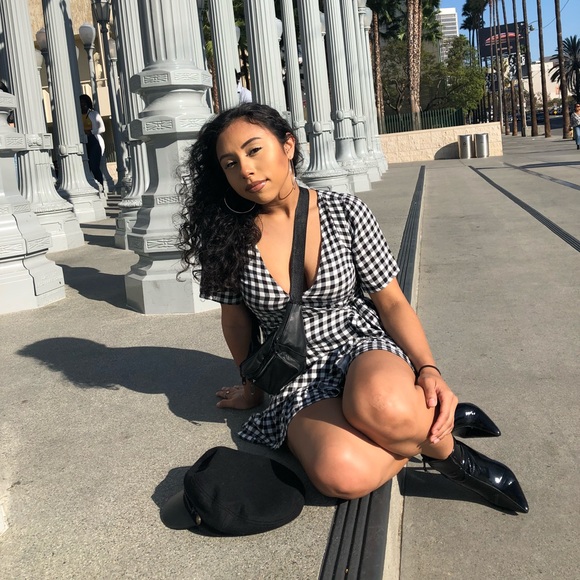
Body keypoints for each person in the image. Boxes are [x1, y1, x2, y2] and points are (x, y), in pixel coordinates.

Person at [178, 103, 528, 513]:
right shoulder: (226, 237)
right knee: (341, 475)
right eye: (230, 164)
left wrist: (428, 369)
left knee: (380, 404)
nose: (246, 170)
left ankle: (454, 460)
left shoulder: (345, 211)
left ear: (287, 145)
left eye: (254, 150)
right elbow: (236, 322)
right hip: (296, 373)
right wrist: (252, 388)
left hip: (359, 343)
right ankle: (415, 424)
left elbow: (391, 301)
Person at [79, 94, 105, 185]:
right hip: (83, 142)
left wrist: (91, 131)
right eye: (81, 103)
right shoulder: (77, 116)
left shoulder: (94, 114)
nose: (82, 105)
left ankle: (101, 185)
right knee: (87, 167)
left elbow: (102, 128)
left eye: (84, 103)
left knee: (94, 166)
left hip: (94, 140)